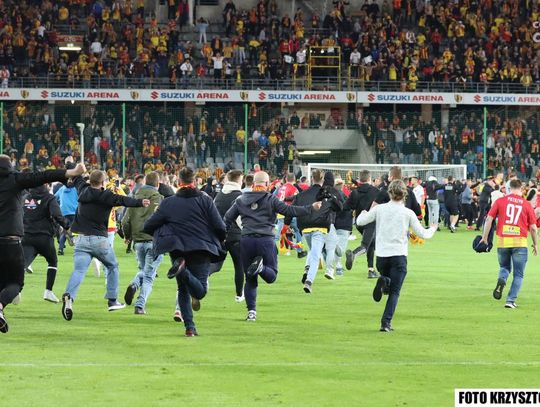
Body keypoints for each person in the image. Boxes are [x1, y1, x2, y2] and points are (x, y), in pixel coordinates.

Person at [0, 155, 85, 334]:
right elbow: (44, 176)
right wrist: (72, 171)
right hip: (11, 241)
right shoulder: (15, 179)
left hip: (20, 239)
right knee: (16, 283)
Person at [224, 171, 320, 321]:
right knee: (271, 276)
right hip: (265, 240)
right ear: (268, 184)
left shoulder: (241, 200)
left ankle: (251, 313)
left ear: (253, 184)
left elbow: (227, 218)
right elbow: (290, 210)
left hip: (247, 240)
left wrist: (223, 235)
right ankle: (261, 268)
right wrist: (311, 208)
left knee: (250, 279)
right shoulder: (270, 199)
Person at [143, 167, 227, 337]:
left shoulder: (168, 202)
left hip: (177, 249)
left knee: (182, 289)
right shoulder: (205, 200)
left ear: (179, 181)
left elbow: (149, 225)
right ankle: (184, 273)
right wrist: (219, 239)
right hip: (201, 247)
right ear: (194, 180)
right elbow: (219, 226)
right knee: (200, 291)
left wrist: (164, 232)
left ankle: (190, 327)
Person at [61, 170, 150, 321]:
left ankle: (69, 295)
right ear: (103, 183)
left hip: (81, 239)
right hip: (99, 240)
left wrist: (75, 169)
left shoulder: (83, 190)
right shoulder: (107, 195)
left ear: (90, 181)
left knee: (79, 270)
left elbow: (76, 178)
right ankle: (112, 300)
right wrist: (140, 202)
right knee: (112, 266)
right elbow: (123, 200)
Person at [357, 180, 437, 332]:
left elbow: (360, 222)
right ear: (405, 194)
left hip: (382, 256)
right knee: (394, 292)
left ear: (389, 193)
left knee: (388, 285)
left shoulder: (379, 209)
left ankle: (384, 280)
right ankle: (385, 323)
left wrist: (363, 212)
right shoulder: (408, 213)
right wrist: (432, 228)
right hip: (398, 255)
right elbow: (423, 233)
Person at [480, 179, 537, 309]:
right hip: (520, 243)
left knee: (504, 267)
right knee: (518, 274)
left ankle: (502, 279)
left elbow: (489, 219)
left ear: (509, 188)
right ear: (521, 189)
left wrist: (484, 238)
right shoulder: (526, 204)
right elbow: (533, 228)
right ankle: (510, 301)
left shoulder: (500, 201)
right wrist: (535, 244)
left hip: (503, 242)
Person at [286, 169, 341, 293]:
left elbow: (291, 209)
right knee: (316, 255)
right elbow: (339, 207)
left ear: (312, 178)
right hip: (320, 228)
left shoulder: (302, 194)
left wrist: (286, 224)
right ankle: (309, 281)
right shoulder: (326, 195)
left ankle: (307, 268)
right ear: (323, 180)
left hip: (305, 228)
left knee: (313, 251)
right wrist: (332, 198)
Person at [122, 172, 164, 315]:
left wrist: (128, 236)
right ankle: (140, 305)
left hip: (138, 241)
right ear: (158, 184)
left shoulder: (135, 197)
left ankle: (134, 285)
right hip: (154, 241)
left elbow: (125, 221)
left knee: (143, 269)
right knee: (149, 276)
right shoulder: (159, 199)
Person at [22, 182, 70, 304]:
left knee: (22, 265)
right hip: (44, 236)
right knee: (52, 261)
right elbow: (57, 215)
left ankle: (15, 289)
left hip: (26, 236)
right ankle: (48, 291)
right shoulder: (49, 198)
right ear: (45, 185)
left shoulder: (25, 197)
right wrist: (67, 226)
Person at [213, 170, 245, 302]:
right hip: (235, 235)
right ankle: (239, 294)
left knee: (216, 264)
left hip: (219, 234)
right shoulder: (239, 196)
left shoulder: (219, 195)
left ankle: (202, 278)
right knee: (239, 265)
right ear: (238, 180)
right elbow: (240, 219)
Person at [344, 169, 380, 278]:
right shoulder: (376, 191)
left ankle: (371, 270)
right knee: (365, 245)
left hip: (359, 222)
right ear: (369, 178)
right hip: (371, 221)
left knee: (371, 244)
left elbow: (346, 207)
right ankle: (353, 254)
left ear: (360, 178)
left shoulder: (355, 192)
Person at [54, 165, 79, 256]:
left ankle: (60, 249)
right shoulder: (76, 189)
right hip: (74, 212)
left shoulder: (61, 189)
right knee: (76, 230)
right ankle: (76, 245)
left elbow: (54, 198)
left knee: (65, 230)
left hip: (63, 212)